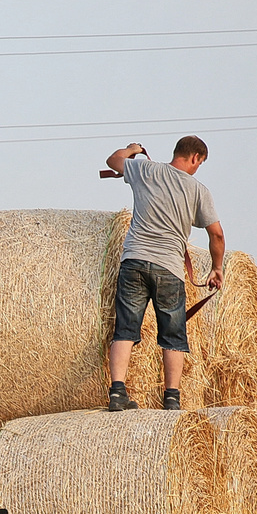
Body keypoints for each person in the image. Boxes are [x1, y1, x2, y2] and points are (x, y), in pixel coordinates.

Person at [104, 135, 225, 411]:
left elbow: (113, 160)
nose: (197, 168)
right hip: (169, 269)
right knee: (173, 336)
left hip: (134, 260)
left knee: (125, 330)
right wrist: (217, 268)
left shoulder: (146, 170)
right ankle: (172, 398)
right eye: (200, 163)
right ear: (195, 158)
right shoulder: (198, 190)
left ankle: (117, 393)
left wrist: (132, 150)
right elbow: (216, 234)